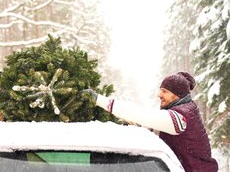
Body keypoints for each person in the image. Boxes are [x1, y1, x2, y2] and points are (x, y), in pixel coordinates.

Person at [84, 71, 218, 172]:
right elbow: (156, 127)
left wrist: (98, 100)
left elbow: (141, 115)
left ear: (176, 94)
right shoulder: (185, 110)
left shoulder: (181, 117)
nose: (159, 95)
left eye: (164, 91)